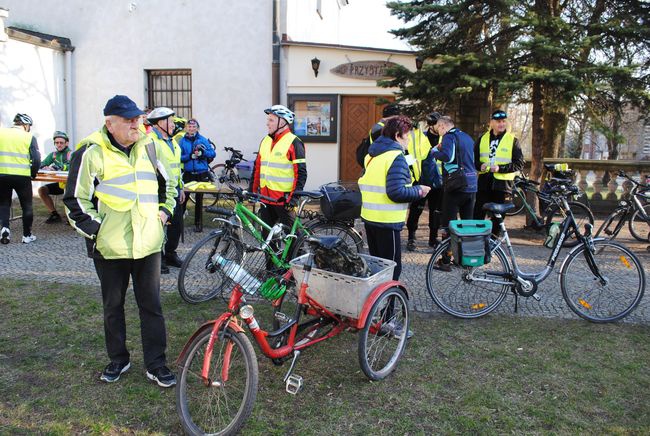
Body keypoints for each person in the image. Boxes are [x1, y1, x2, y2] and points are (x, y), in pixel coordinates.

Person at [63, 95, 177, 388]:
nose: (135, 124)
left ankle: (157, 364)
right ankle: (118, 359)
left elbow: (170, 186)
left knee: (151, 306)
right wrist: (99, 231)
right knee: (113, 306)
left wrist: (163, 215)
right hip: (109, 247)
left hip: (148, 244)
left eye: (137, 118)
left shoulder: (150, 147)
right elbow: (75, 200)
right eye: (128, 120)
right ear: (109, 123)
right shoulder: (90, 152)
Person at [251, 105, 307, 232]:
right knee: (267, 239)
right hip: (266, 198)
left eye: (271, 120)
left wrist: (293, 199)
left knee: (293, 239)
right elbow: (257, 168)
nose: (267, 123)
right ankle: (274, 253)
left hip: (284, 201)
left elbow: (301, 173)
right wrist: (252, 191)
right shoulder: (265, 140)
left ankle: (299, 252)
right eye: (267, 120)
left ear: (282, 122)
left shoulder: (294, 142)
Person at [473, 109, 525, 235]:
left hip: (502, 186)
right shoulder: (482, 139)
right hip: (484, 184)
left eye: (503, 121)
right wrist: (481, 166)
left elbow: (519, 164)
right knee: (477, 215)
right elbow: (473, 161)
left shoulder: (512, 140)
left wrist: (499, 168)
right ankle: (476, 241)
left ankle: (492, 244)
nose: (501, 124)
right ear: (491, 123)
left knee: (498, 219)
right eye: (498, 122)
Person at [147, 107, 184, 274]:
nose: (173, 124)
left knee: (177, 224)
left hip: (174, 189)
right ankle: (158, 257)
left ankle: (170, 253)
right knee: (159, 225)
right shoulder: (150, 141)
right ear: (160, 122)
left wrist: (181, 187)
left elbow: (177, 168)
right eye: (170, 120)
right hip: (158, 190)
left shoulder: (173, 142)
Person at [430, 115, 478, 236]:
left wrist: (434, 152)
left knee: (449, 223)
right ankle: (465, 252)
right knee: (467, 223)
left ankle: (447, 253)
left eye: (438, 129)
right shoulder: (466, 136)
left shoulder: (448, 136)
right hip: (471, 183)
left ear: (442, 126)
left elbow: (447, 157)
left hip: (456, 184)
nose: (439, 133)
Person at [0, 113, 41, 244]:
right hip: (22, 176)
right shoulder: (29, 137)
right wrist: (33, 174)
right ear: (25, 125)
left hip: (2, 174)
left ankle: (5, 228)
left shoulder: (1, 133)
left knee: (4, 204)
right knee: (27, 206)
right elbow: (36, 158)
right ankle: (27, 235)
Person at [178, 118, 216, 231]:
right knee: (183, 199)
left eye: (194, 127)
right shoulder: (182, 141)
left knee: (199, 200)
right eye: (189, 127)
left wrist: (203, 153)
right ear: (186, 128)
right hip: (188, 173)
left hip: (201, 173)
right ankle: (179, 224)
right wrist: (189, 156)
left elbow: (212, 153)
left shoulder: (203, 139)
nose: (191, 129)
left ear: (197, 128)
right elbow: (178, 157)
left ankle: (198, 224)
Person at [38, 131, 71, 224]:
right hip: (61, 184)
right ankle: (54, 214)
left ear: (66, 143)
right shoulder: (53, 154)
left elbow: (71, 165)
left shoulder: (71, 154)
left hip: (72, 184)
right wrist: (44, 166)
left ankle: (72, 217)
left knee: (67, 192)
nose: (59, 145)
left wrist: (59, 167)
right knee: (42, 190)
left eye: (61, 143)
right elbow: (42, 163)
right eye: (57, 143)